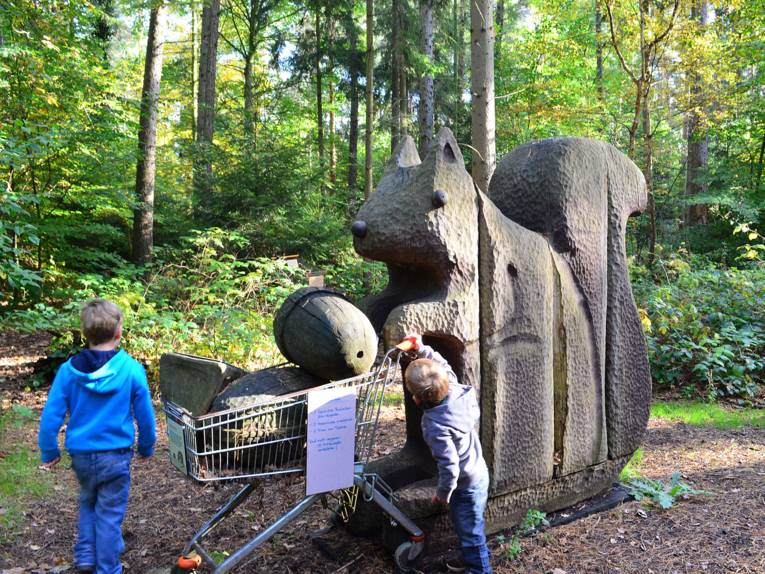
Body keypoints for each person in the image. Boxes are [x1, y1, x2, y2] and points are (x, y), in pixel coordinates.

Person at [38, 298, 156, 574]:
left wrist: (49, 451)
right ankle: (108, 568)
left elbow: (51, 416)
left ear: (84, 334)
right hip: (115, 456)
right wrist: (147, 447)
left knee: (89, 500)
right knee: (110, 514)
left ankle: (86, 556)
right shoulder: (131, 370)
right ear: (119, 333)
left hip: (81, 455)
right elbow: (145, 416)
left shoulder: (68, 371)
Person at [400, 334, 492, 574]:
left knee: (471, 533)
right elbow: (445, 367)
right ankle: (471, 557)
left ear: (416, 399)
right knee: (471, 526)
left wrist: (443, 493)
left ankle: (480, 569)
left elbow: (449, 465)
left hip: (464, 484)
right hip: (479, 472)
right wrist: (422, 348)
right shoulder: (457, 391)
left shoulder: (435, 425)